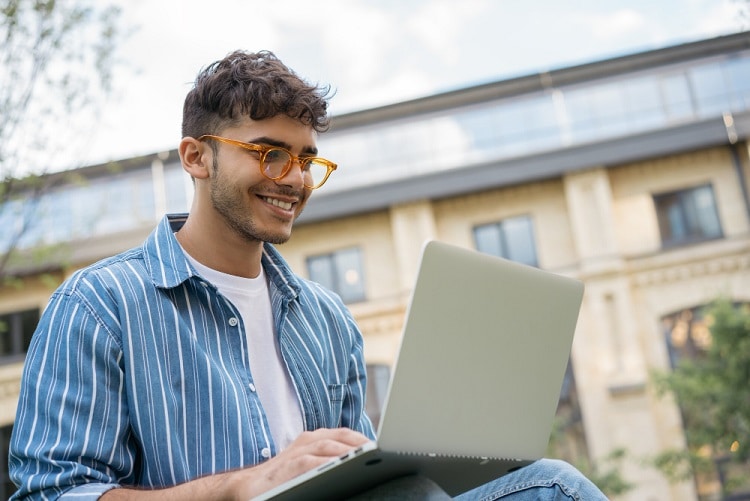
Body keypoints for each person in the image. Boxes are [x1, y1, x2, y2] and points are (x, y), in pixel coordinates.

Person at [9, 50, 607, 500]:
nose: (294, 179)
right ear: (196, 156)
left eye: (306, 159)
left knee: (541, 487)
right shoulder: (99, 305)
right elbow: (54, 495)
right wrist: (245, 486)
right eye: (270, 152)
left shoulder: (326, 320)